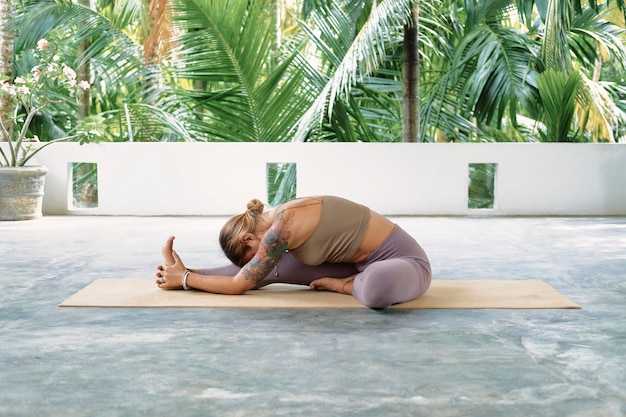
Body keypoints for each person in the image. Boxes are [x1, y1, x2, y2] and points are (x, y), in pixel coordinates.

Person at [156, 195, 431, 308]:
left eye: (252, 256)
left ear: (249, 238)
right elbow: (249, 275)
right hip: (354, 264)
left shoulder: (282, 228)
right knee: (271, 269)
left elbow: (240, 285)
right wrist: (183, 276)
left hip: (403, 263)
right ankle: (181, 272)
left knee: (376, 290)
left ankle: (348, 287)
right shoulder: (275, 225)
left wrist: (186, 281)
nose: (257, 262)